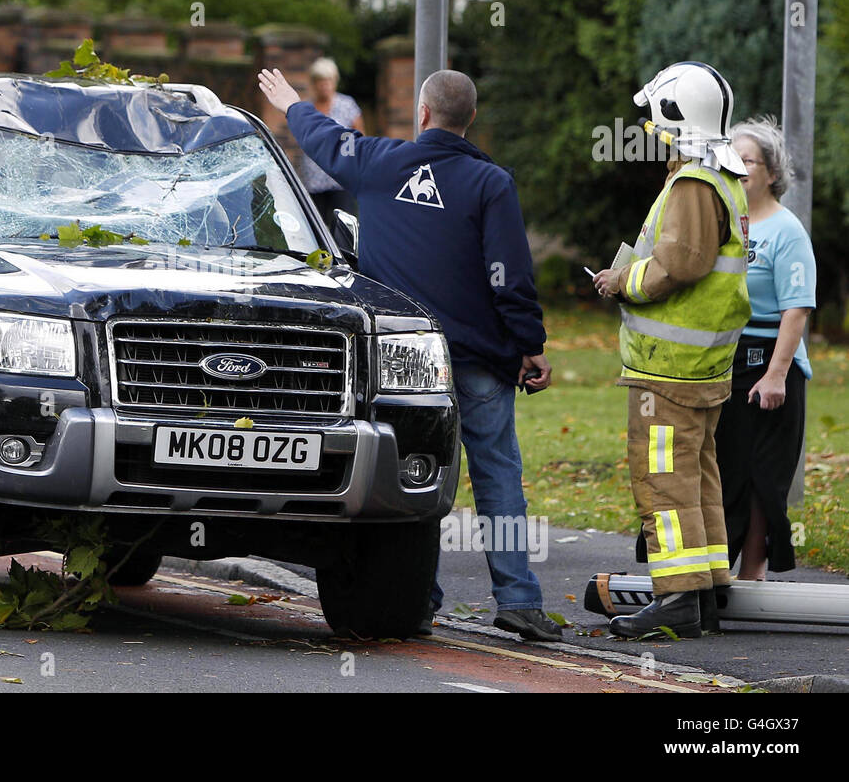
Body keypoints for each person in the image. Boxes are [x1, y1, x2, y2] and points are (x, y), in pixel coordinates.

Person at [258, 66, 561, 643]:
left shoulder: (378, 162)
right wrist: (529, 346)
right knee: (498, 478)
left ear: (422, 114)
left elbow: (324, 140)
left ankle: (418, 597)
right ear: (470, 120)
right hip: (476, 360)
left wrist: (293, 103)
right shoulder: (490, 183)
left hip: (403, 364)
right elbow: (510, 276)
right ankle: (519, 601)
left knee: (415, 477)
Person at [592, 61, 750, 640]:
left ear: (676, 120)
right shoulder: (724, 179)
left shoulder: (692, 184)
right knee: (698, 475)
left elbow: (679, 264)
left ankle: (677, 598)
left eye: (656, 125)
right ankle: (706, 588)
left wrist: (621, 282)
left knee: (663, 479)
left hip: (668, 371)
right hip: (702, 367)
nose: (651, 137)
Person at [715, 117, 815, 580]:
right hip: (723, 363)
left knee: (761, 477)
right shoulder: (723, 221)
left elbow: (796, 310)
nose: (737, 166)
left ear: (772, 173)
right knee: (726, 469)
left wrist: (775, 374)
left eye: (747, 159)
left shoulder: (787, 231)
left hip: (771, 364)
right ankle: (709, 574)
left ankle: (751, 576)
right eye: (731, 157)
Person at [294, 58, 365, 221]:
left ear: (335, 81)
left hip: (340, 177)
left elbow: (359, 138)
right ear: (314, 83)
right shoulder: (307, 108)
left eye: (328, 80)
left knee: (343, 226)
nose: (324, 85)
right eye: (320, 81)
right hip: (312, 179)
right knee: (316, 226)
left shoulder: (347, 105)